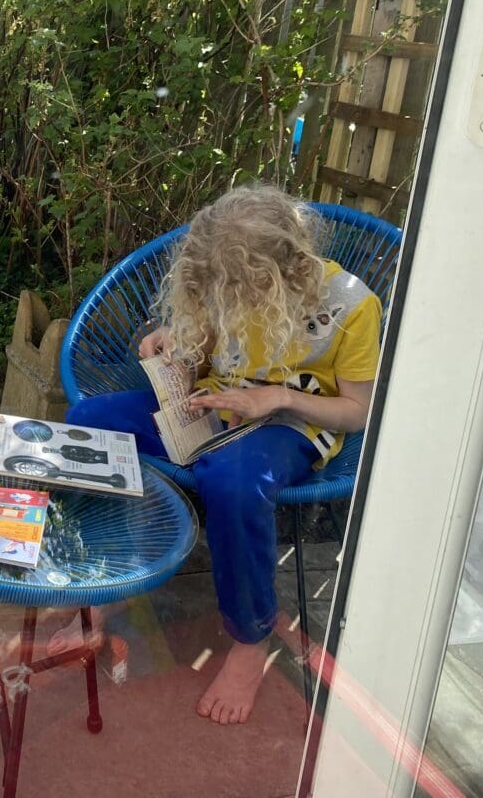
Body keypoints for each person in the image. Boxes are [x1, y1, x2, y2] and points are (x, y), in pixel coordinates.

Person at [66, 184, 380, 725]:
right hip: (215, 403)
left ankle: (251, 636)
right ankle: (115, 576)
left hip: (294, 423)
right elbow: (204, 349)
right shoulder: (223, 281)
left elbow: (358, 411)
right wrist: (174, 348)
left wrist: (276, 397)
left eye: (241, 288)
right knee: (88, 427)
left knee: (231, 482)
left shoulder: (353, 304)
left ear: (285, 268)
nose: (229, 297)